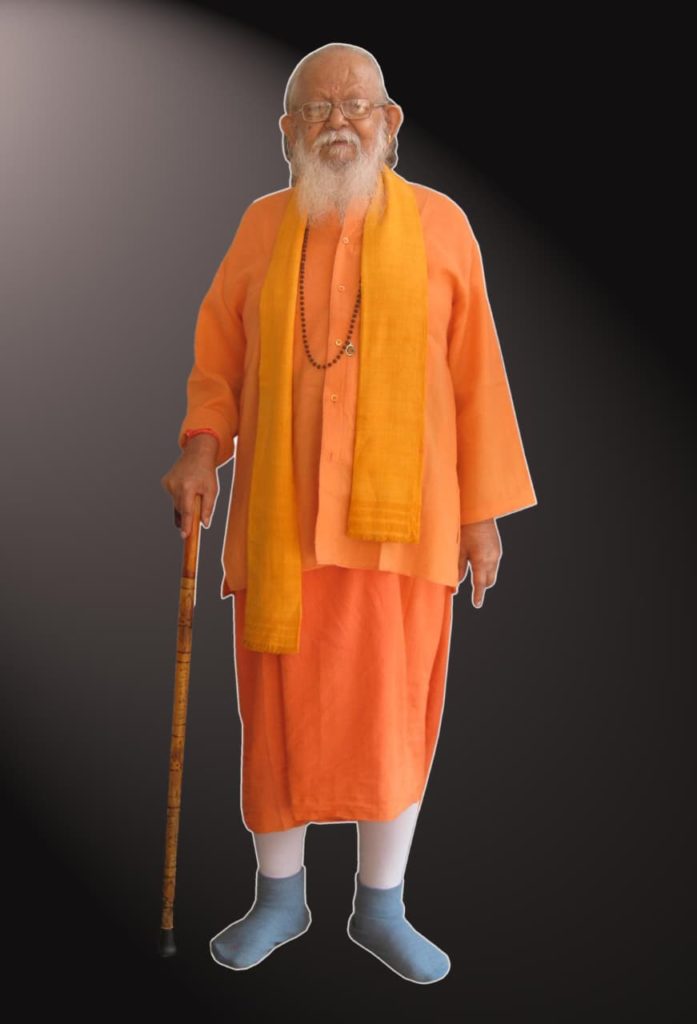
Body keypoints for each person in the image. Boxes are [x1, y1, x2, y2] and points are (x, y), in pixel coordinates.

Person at [160, 42, 537, 984]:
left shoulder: (443, 225)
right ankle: (278, 899)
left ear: (389, 121)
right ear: (287, 130)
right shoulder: (260, 226)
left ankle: (382, 906)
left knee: (391, 721)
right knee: (278, 720)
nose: (337, 121)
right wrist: (201, 448)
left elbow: (476, 377)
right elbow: (218, 362)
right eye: (316, 108)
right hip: (280, 530)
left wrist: (482, 515)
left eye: (355, 105)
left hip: (404, 535)